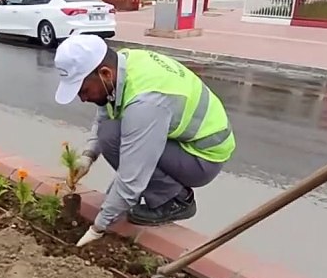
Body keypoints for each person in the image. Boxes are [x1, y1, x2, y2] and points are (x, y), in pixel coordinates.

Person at [52, 34, 234, 246]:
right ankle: (157, 191)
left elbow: (132, 177)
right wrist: (88, 156)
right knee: (111, 131)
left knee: (114, 137)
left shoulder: (147, 103)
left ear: (105, 74)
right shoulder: (121, 64)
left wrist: (98, 228)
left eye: (84, 90)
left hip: (203, 158)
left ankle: (176, 200)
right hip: (182, 142)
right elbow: (105, 113)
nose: (83, 98)